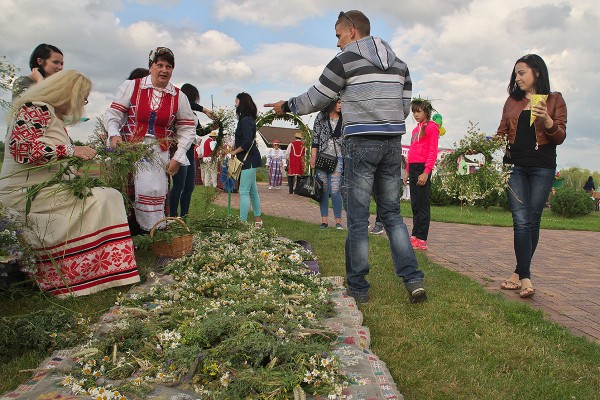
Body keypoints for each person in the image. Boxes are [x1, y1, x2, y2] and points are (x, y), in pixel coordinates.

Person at [265, 10, 426, 304]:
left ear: (351, 31)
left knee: (357, 218)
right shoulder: (401, 65)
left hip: (360, 143)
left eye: (338, 36)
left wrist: (285, 106)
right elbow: (404, 108)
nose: (337, 43)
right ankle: (413, 280)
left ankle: (359, 288)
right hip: (391, 144)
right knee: (392, 215)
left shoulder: (345, 61)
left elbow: (317, 97)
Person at [0, 70, 140, 297]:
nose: (82, 104)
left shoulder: (50, 114)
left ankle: (96, 269)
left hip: (44, 190)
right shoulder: (36, 109)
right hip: (25, 194)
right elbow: (22, 148)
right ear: (69, 94)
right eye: (83, 98)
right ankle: (85, 270)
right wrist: (72, 150)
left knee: (106, 195)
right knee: (106, 198)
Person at [496, 54, 567, 298]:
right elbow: (501, 132)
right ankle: (526, 278)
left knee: (533, 220)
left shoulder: (554, 99)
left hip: (542, 167)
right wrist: (479, 146)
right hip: (514, 166)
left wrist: (547, 119)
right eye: (516, 73)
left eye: (522, 72)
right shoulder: (512, 101)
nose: (517, 77)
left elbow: (559, 137)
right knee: (521, 220)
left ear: (537, 72)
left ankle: (518, 272)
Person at [104, 47, 196, 232]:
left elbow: (187, 129)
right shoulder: (132, 86)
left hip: (159, 153)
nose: (164, 70)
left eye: (168, 66)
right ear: (151, 66)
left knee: (156, 191)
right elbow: (114, 114)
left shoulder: (178, 96)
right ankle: (131, 234)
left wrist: (178, 158)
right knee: (130, 192)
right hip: (131, 152)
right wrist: (114, 134)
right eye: (159, 65)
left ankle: (154, 231)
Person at [404, 98, 440, 251]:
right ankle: (414, 233)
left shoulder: (432, 128)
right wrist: (406, 171)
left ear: (426, 112)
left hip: (423, 168)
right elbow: (411, 151)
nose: (416, 114)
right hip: (412, 167)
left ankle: (422, 238)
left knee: (423, 204)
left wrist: (426, 172)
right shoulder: (414, 130)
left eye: (418, 111)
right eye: (414, 112)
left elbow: (433, 151)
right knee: (415, 204)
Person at [229, 92, 262, 227]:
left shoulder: (246, 120)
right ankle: (258, 219)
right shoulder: (247, 119)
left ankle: (242, 222)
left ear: (241, 103)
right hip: (249, 160)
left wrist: (234, 152)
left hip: (249, 161)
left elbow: (247, 142)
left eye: (236, 101)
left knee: (243, 192)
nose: (235, 104)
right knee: (253, 191)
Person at [310, 98, 343, 229]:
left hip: (338, 158)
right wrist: (313, 157)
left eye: (342, 102)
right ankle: (324, 221)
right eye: (339, 102)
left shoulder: (345, 118)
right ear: (331, 102)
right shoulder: (321, 117)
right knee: (323, 190)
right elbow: (315, 138)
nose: (341, 105)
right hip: (321, 157)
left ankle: (338, 222)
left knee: (335, 191)